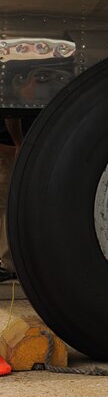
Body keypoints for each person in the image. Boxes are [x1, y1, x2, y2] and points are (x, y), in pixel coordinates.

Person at [0, 116, 26, 283]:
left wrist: (18, 143)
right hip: (8, 148)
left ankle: (9, 264)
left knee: (5, 206)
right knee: (5, 206)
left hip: (8, 150)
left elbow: (13, 117)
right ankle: (8, 262)